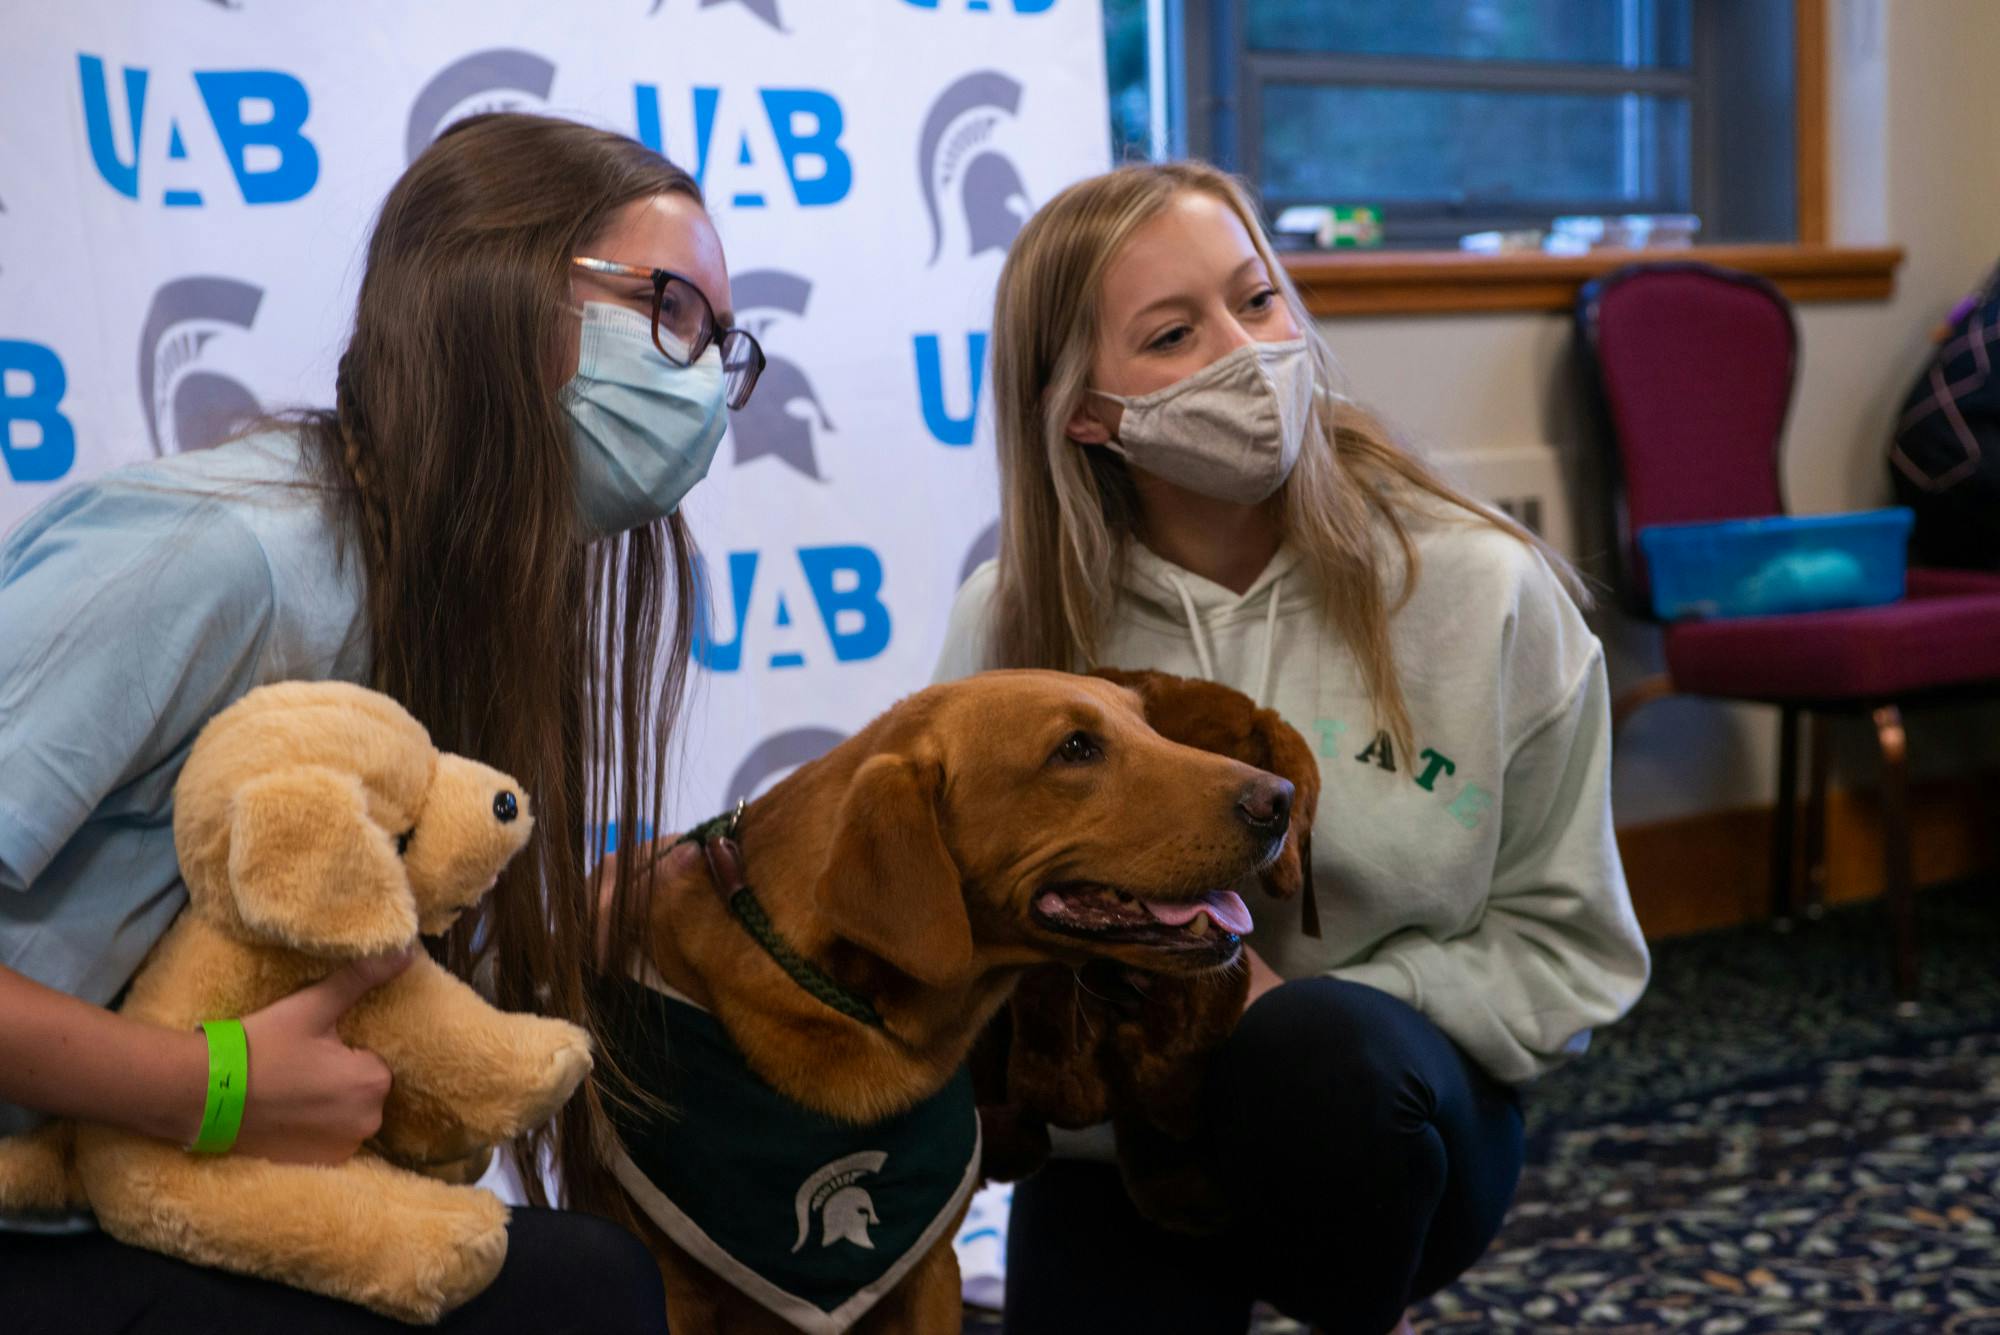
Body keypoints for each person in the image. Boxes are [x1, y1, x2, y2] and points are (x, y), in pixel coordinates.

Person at [0, 112, 764, 1332]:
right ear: (490, 289)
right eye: (669, 309)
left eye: (721, 342)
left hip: (137, 1195)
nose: (700, 381)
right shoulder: (220, 557)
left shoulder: (455, 602)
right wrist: (217, 1089)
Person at [933, 161, 1651, 1335]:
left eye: (1256, 300)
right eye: (1173, 333)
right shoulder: (1010, 623)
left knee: (1321, 1055)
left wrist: (1270, 1016)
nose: (1246, 352)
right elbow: (961, 920)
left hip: (1382, 1108)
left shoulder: (1483, 588)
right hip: (1115, 1144)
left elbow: (1567, 947)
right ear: (1084, 413)